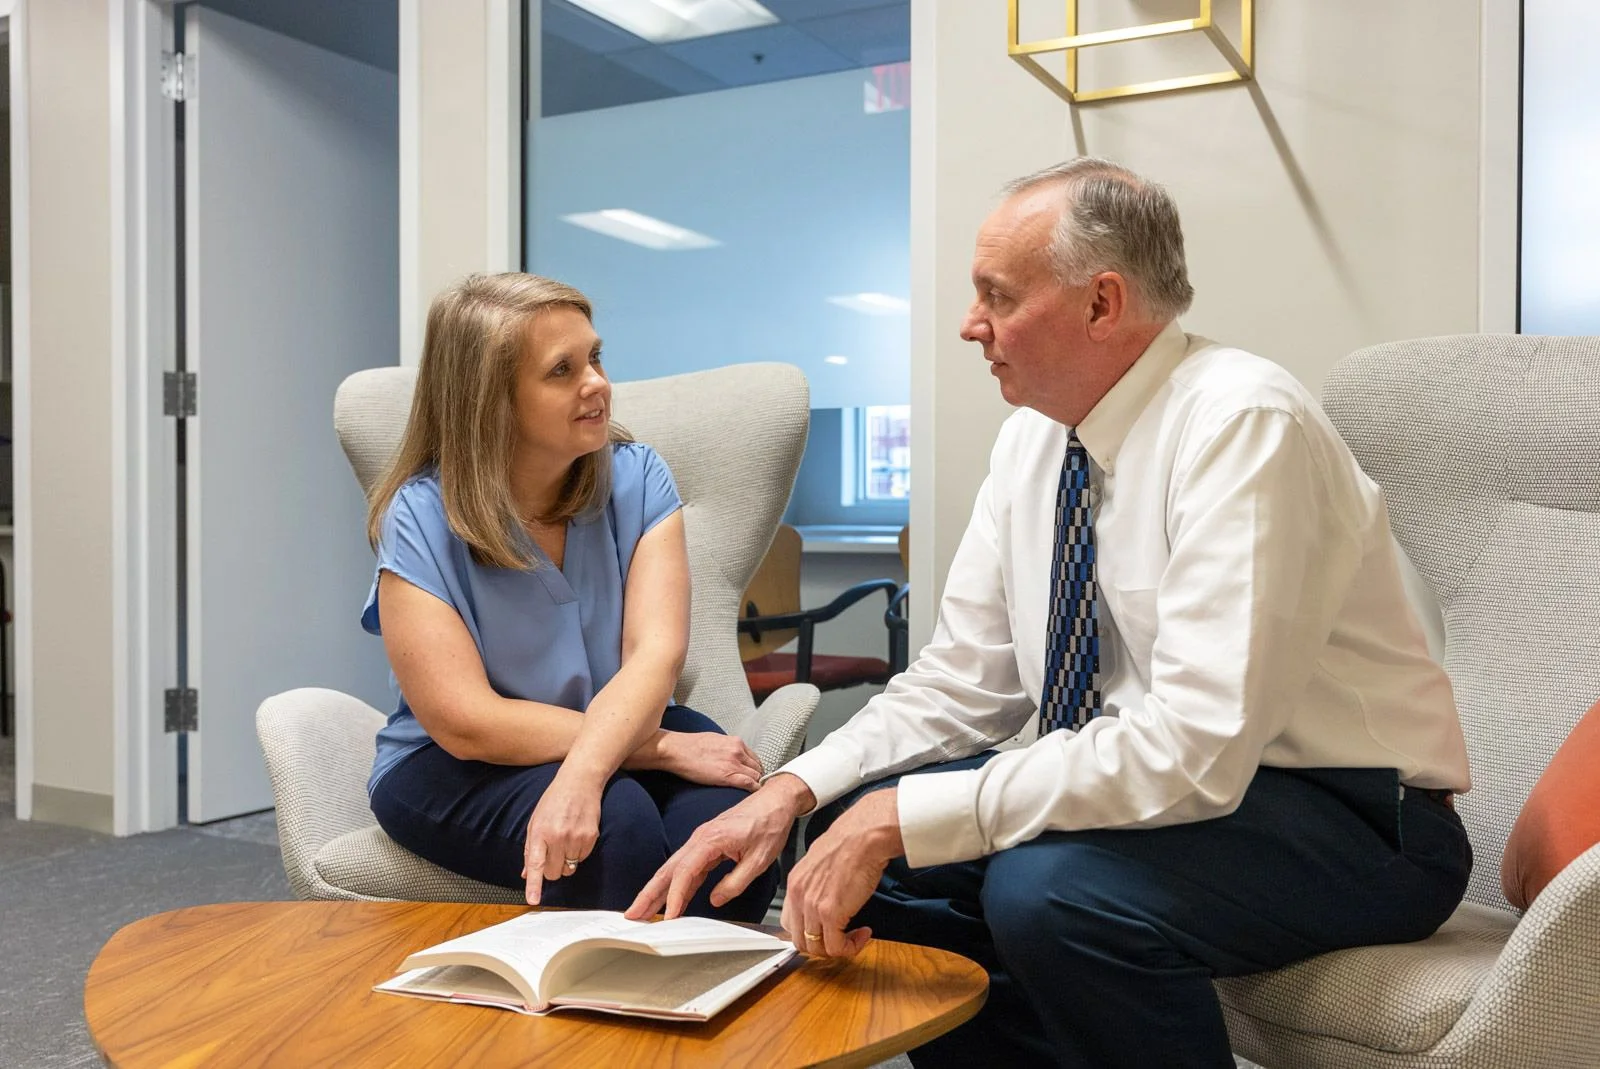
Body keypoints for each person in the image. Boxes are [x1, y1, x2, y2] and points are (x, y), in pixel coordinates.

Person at [627, 159, 1472, 1066]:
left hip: (1358, 822)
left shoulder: (1244, 424)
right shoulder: (1035, 440)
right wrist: (800, 789)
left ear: (1102, 304)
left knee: (1051, 890)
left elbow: (1194, 749)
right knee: (871, 856)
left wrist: (905, 813)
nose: (969, 324)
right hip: (1179, 796)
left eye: (997, 295)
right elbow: (961, 685)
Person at [362, 272, 777, 922]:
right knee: (623, 827)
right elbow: (466, 720)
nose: (598, 384)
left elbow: (655, 655)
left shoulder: (638, 476)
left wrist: (588, 765)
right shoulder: (418, 516)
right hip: (457, 762)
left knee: (734, 841)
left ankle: (692, 1007)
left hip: (620, 720)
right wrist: (658, 749)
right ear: (490, 400)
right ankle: (606, 1017)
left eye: (596, 357)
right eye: (563, 370)